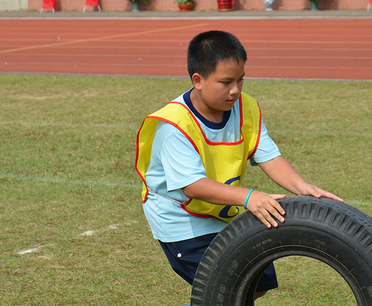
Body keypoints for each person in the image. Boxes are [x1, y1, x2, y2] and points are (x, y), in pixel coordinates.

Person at [135, 30, 343, 302]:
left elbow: (269, 156)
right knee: (224, 288)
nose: (235, 89)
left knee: (257, 281)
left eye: (240, 79)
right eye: (225, 82)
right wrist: (249, 197)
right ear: (198, 80)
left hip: (221, 211)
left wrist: (302, 186)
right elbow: (192, 185)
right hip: (181, 219)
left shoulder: (245, 108)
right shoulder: (174, 125)